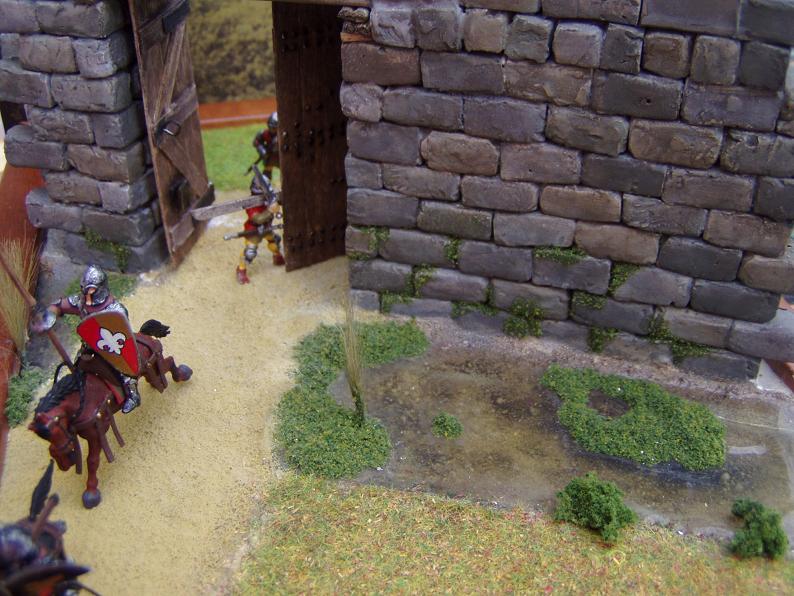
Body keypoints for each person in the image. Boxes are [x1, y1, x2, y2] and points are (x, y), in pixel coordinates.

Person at [32, 264, 142, 413]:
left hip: (111, 349)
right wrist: (49, 316)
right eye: (84, 289)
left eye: (90, 290)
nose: (86, 294)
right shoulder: (80, 302)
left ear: (100, 288)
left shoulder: (116, 311)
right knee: (78, 367)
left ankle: (132, 394)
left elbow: (121, 334)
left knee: (122, 371)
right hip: (89, 347)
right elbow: (58, 305)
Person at [236, 175, 285, 284]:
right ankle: (241, 270)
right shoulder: (251, 203)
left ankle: (277, 257)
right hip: (254, 230)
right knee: (250, 252)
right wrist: (270, 211)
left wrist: (280, 200)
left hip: (267, 228)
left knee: (275, 243)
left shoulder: (269, 197)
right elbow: (257, 219)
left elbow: (278, 200)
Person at [252, 111, 279, 178]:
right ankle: (266, 180)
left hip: (282, 157)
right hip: (270, 157)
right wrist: (262, 150)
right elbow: (256, 142)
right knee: (267, 169)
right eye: (271, 127)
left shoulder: (282, 135)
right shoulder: (264, 134)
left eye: (274, 128)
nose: (272, 129)